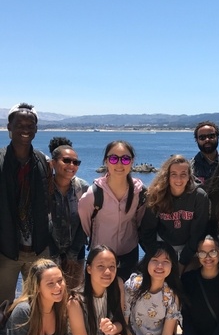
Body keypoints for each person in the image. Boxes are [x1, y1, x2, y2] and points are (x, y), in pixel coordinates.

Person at [0, 103, 52, 303]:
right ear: (9, 128)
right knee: (3, 306)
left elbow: (47, 201)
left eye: (30, 125)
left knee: (38, 303)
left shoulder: (41, 161)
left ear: (36, 130)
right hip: (6, 250)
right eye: (19, 124)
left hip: (37, 248)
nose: (25, 129)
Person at [78, 141, 146, 281]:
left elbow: (139, 220)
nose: (119, 164)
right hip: (100, 257)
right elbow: (86, 223)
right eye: (113, 158)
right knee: (98, 300)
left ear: (132, 161)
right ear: (106, 161)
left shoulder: (140, 192)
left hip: (129, 254)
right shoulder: (94, 194)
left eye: (125, 159)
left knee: (127, 299)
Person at [140, 155, 209, 275]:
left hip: (188, 247)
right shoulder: (156, 195)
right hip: (162, 245)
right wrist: (156, 257)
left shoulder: (199, 196)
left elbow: (197, 234)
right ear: (167, 176)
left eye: (183, 174)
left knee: (187, 280)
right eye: (174, 174)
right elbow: (147, 231)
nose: (179, 179)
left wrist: (182, 262)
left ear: (189, 176)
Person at [48, 137, 89, 290]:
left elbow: (87, 223)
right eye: (66, 160)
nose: (71, 165)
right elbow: (40, 223)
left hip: (76, 253)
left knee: (74, 295)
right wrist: (55, 256)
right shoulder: (43, 188)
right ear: (53, 163)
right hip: (49, 254)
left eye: (76, 162)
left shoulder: (82, 188)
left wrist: (72, 254)